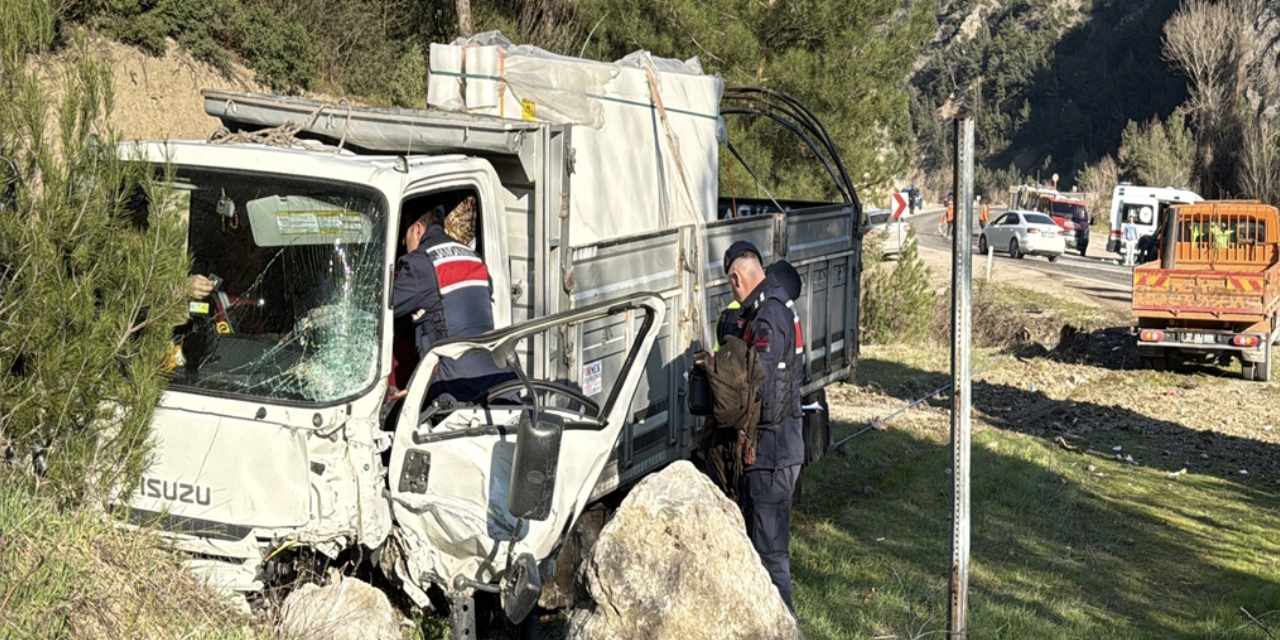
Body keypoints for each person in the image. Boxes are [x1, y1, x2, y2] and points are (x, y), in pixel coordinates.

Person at [722, 240, 804, 612]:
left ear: (737, 278)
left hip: (771, 453)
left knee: (770, 559)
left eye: (730, 286)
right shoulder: (774, 307)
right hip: (778, 448)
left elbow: (763, 391)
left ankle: (783, 627)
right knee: (766, 551)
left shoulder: (767, 317)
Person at [392, 196, 512, 405]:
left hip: (454, 391)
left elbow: (380, 308)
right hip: (495, 381)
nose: (406, 246)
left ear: (417, 229)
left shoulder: (420, 263)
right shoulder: (473, 257)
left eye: (405, 239)